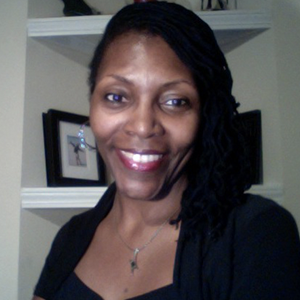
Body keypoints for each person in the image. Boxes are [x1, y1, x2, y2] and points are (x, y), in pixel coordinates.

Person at [32, 2, 300, 300]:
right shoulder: (70, 238)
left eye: (175, 101)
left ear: (205, 115)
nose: (143, 126)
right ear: (92, 104)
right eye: (116, 96)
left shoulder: (255, 234)